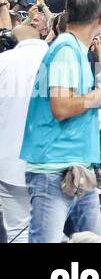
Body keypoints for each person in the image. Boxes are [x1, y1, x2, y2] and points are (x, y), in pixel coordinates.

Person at [20, 0, 101, 243]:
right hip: (55, 169)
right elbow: (61, 106)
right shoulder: (66, 50)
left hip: (76, 166)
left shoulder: (75, 50)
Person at [0, 22, 48, 242]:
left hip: (8, 161)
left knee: (16, 230)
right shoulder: (62, 60)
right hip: (52, 162)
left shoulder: (3, 62)